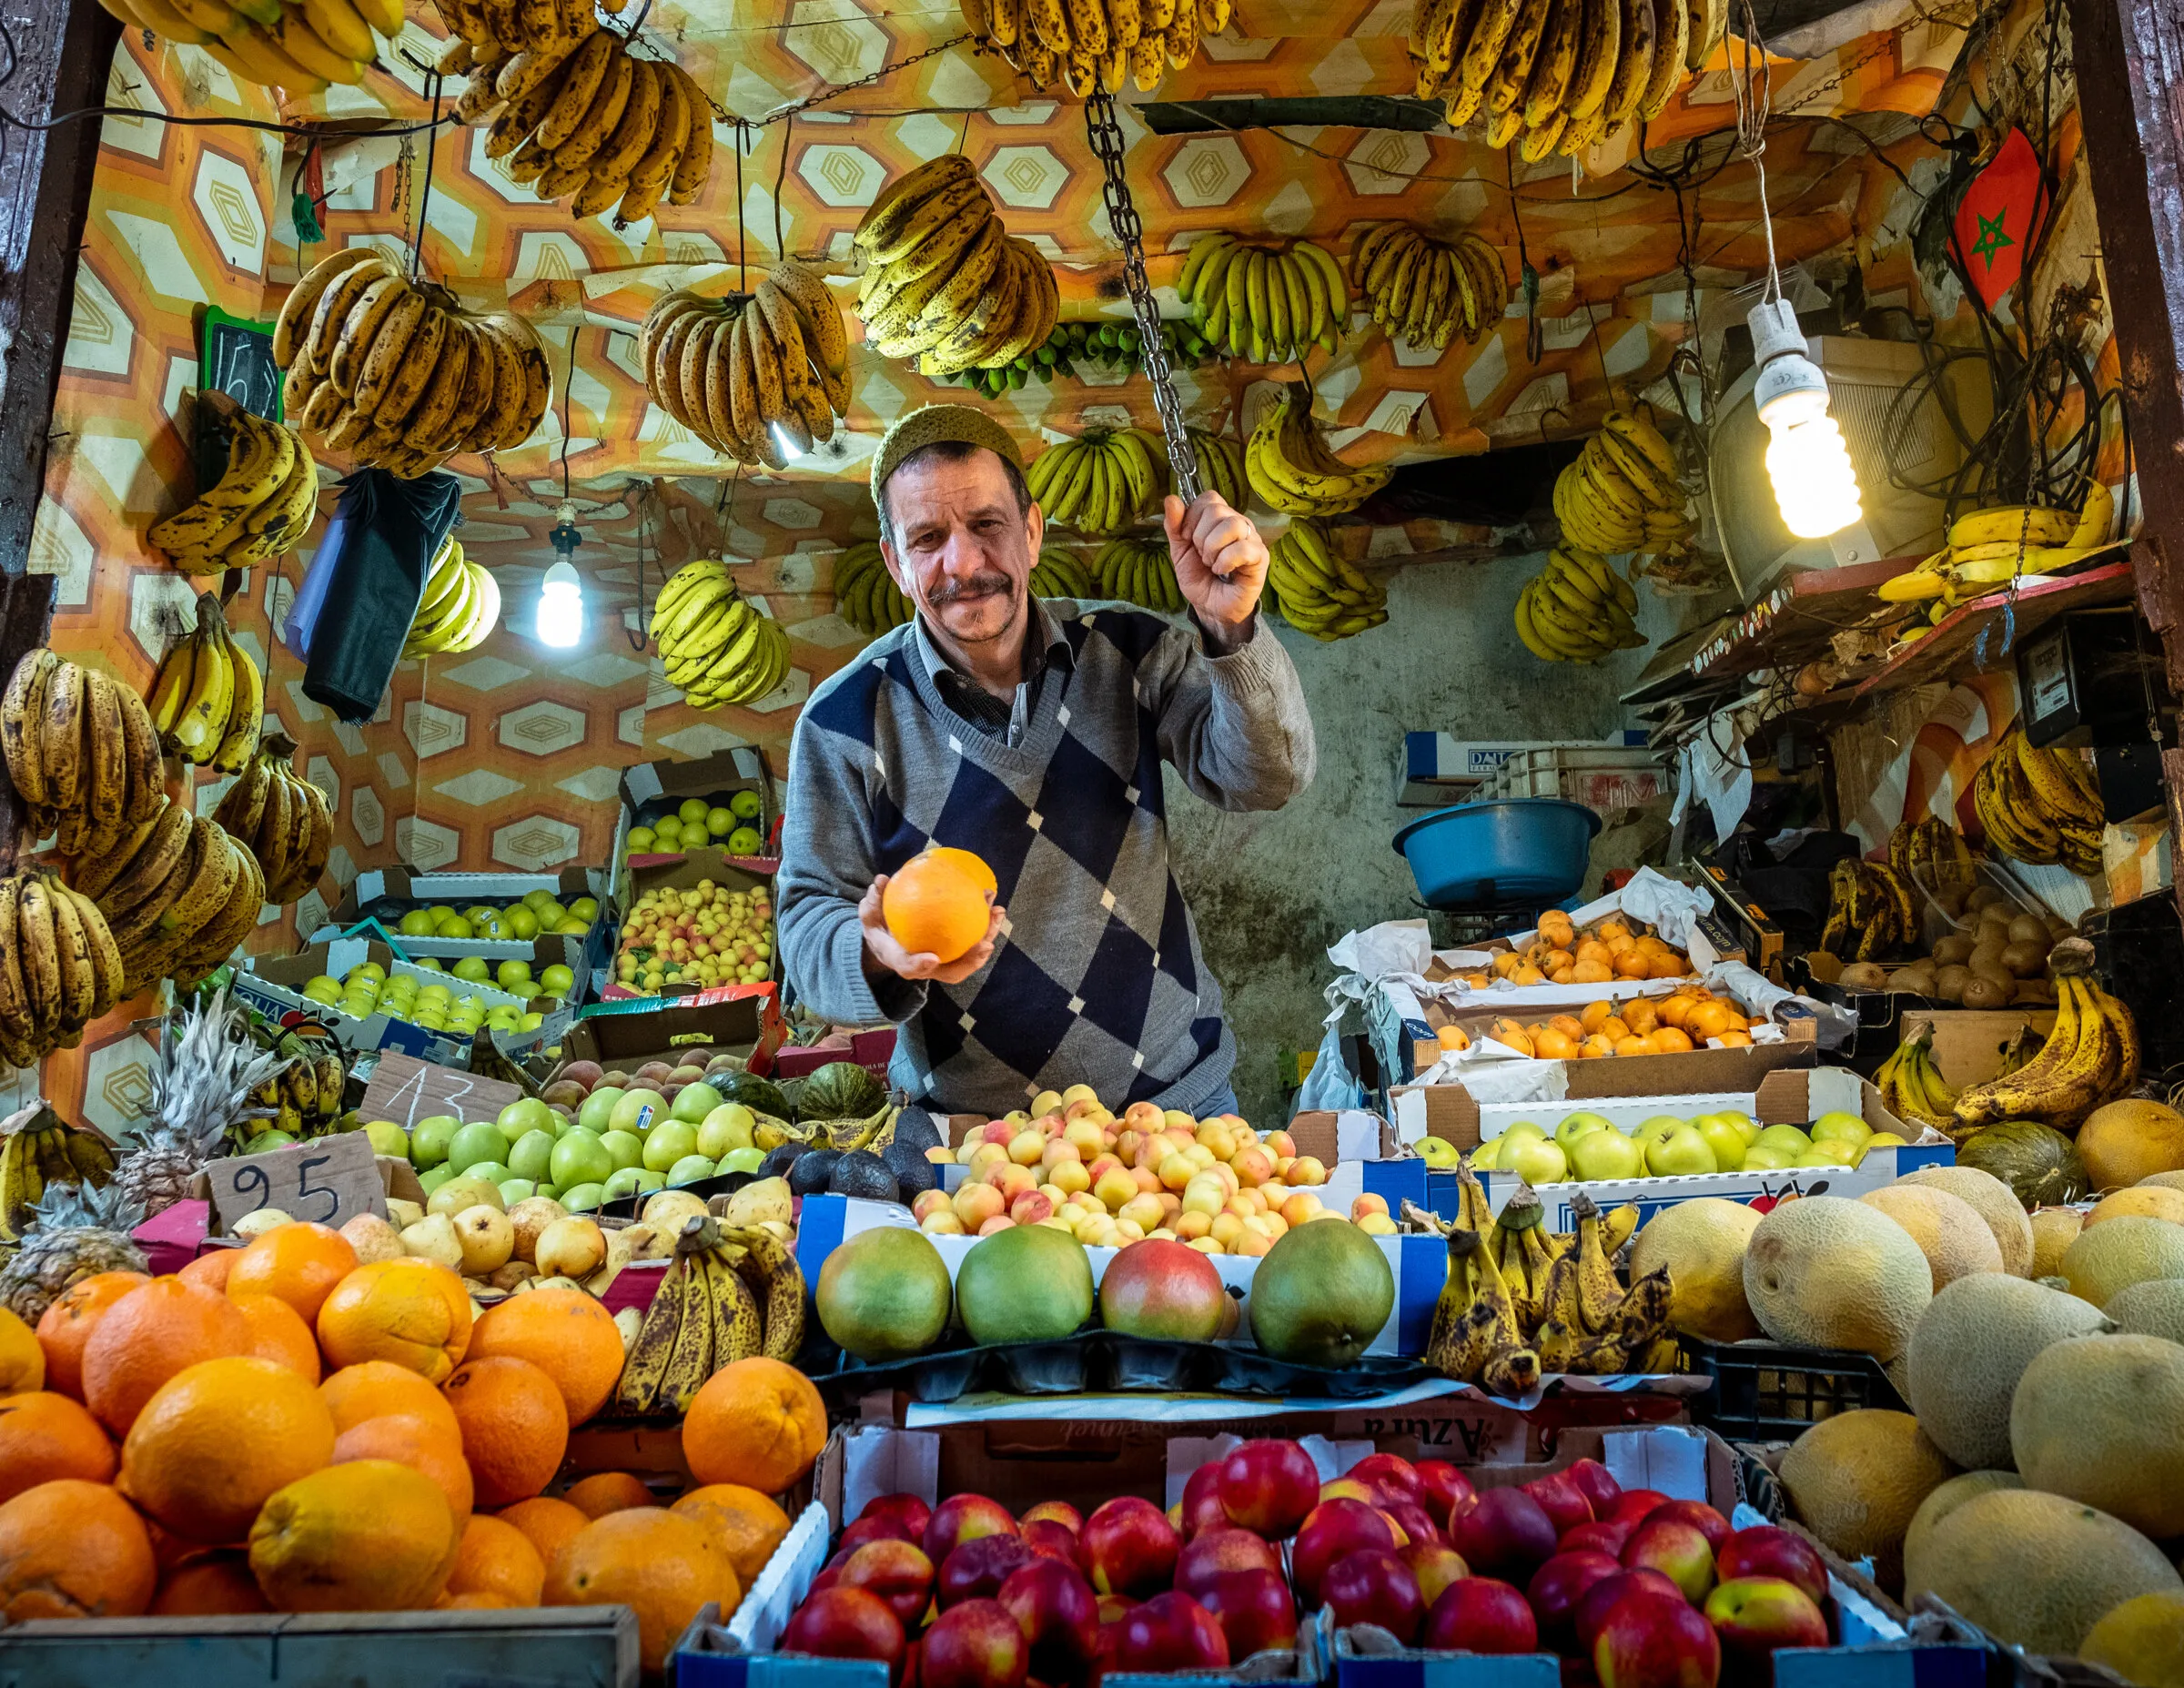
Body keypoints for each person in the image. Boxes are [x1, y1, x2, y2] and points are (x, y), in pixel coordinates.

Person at [777, 403, 1315, 1119]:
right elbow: (808, 922)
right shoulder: (844, 720)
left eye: (987, 526)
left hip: (1176, 1109)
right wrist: (873, 949)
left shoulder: (1126, 650)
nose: (962, 563)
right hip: (974, 1140)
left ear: (1032, 532)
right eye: (928, 538)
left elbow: (1268, 778)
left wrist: (1230, 627)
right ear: (895, 562)